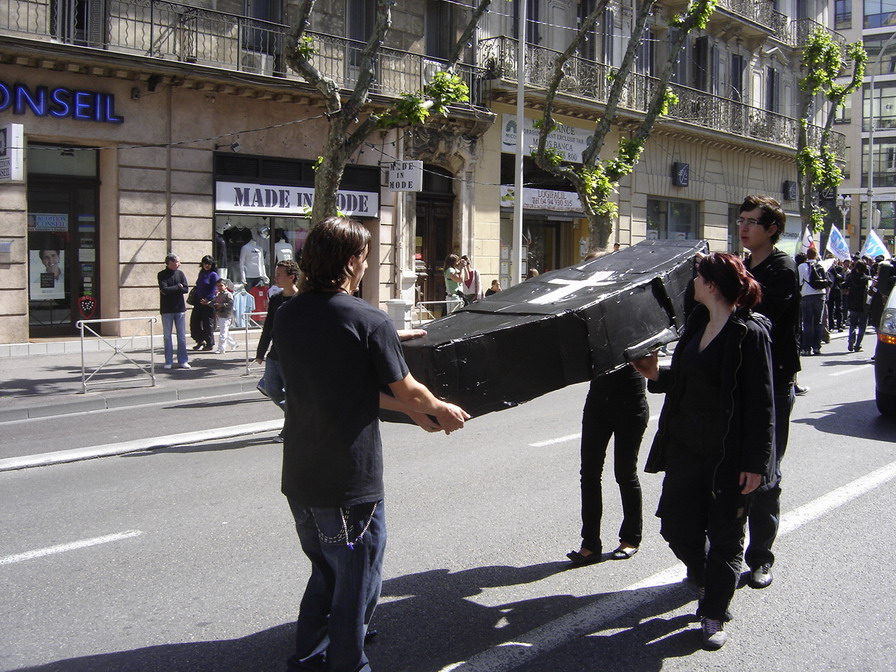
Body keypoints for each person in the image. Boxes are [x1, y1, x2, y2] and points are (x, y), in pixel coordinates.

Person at [275, 217, 469, 672]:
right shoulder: (369, 318)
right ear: (350, 262)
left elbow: (339, 380)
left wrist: (388, 352)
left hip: (300, 474)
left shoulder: (289, 314)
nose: (366, 264)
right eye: (364, 256)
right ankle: (348, 663)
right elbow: (407, 390)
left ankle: (307, 654)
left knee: (325, 573)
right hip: (348, 480)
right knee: (357, 582)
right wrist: (439, 408)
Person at [633, 252, 774, 651]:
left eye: (697, 275)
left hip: (727, 455)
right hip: (685, 447)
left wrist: (755, 463)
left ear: (711, 284)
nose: (692, 281)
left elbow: (762, 404)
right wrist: (657, 374)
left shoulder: (749, 333)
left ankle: (713, 612)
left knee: (727, 538)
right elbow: (691, 378)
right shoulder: (697, 322)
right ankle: (705, 571)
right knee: (675, 526)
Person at [567, 250, 648, 566]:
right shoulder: (584, 312)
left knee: (624, 472)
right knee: (589, 473)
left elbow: (646, 355)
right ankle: (590, 543)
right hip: (598, 401)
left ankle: (631, 538)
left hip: (629, 401)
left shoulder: (631, 307)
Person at [738, 195, 802, 590]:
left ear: (772, 229)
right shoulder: (743, 266)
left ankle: (760, 557)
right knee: (735, 471)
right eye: (741, 220)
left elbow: (759, 312)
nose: (744, 227)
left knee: (765, 474)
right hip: (742, 381)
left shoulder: (782, 267)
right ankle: (722, 552)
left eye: (752, 222)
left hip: (775, 383)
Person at [255, 260, 301, 428]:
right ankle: (296, 418)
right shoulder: (275, 299)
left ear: (292, 277)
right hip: (275, 354)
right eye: (275, 274)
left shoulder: (302, 299)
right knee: (271, 388)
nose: (275, 278)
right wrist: (260, 352)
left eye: (279, 275)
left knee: (291, 394)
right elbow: (268, 325)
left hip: (293, 357)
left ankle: (290, 427)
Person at [157, 253, 191, 370]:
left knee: (181, 336)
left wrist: (178, 288)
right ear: (170, 262)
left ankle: (183, 360)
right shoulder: (162, 275)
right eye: (177, 262)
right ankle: (168, 361)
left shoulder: (180, 273)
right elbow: (164, 289)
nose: (179, 264)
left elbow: (186, 289)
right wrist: (178, 287)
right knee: (167, 336)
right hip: (167, 310)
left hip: (180, 309)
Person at [797, 247, 827, 356]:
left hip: (807, 295)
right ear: (816, 255)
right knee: (818, 322)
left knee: (807, 322)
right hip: (820, 294)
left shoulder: (802, 266)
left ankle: (806, 348)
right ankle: (817, 347)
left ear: (807, 255)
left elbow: (799, 282)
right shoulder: (822, 265)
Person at [190, 255, 219, 351]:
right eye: (205, 263)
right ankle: (199, 340)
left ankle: (209, 344)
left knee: (207, 324)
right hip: (198, 301)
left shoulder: (213, 274)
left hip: (208, 303)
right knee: (194, 322)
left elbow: (214, 289)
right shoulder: (201, 273)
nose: (207, 265)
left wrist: (207, 299)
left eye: (209, 264)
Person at [845, 260, 872, 352]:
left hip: (853, 303)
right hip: (864, 304)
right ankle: (858, 345)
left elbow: (844, 287)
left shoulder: (851, 277)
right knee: (862, 325)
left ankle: (851, 339)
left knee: (852, 324)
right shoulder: (868, 279)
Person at [212, 278, 238, 354]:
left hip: (226, 316)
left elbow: (230, 304)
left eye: (221, 286)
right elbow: (213, 302)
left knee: (223, 333)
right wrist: (207, 303)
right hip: (220, 315)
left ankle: (221, 348)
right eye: (218, 286)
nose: (219, 287)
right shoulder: (218, 294)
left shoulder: (228, 294)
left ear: (226, 286)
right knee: (225, 332)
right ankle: (233, 344)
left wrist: (221, 305)